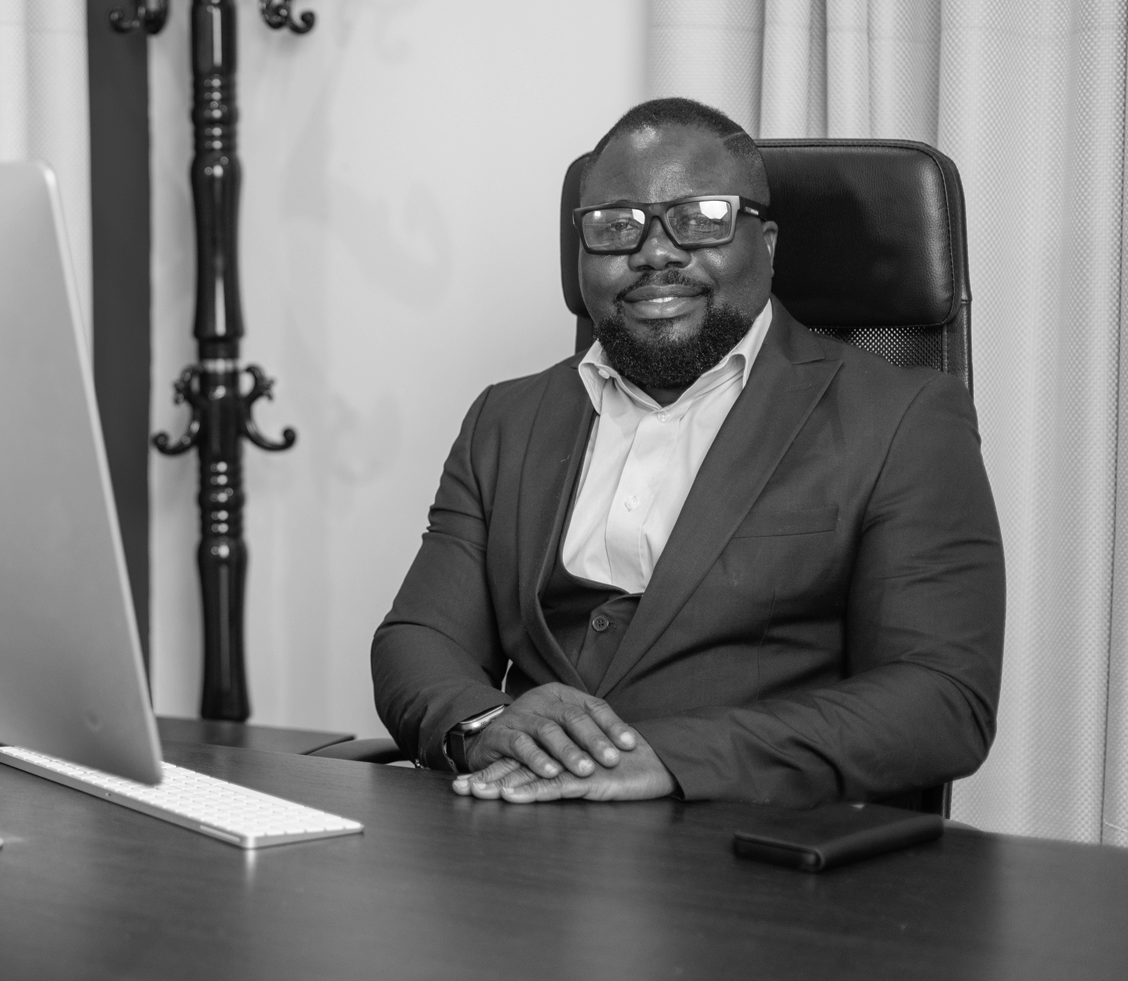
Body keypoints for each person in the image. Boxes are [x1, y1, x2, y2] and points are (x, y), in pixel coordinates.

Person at [370, 97, 1003, 808]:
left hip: (750, 846)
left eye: (701, 219)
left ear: (766, 244)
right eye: (616, 226)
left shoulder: (903, 419)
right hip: (519, 836)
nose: (655, 252)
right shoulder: (506, 419)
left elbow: (942, 699)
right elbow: (419, 636)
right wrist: (486, 725)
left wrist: (669, 759)